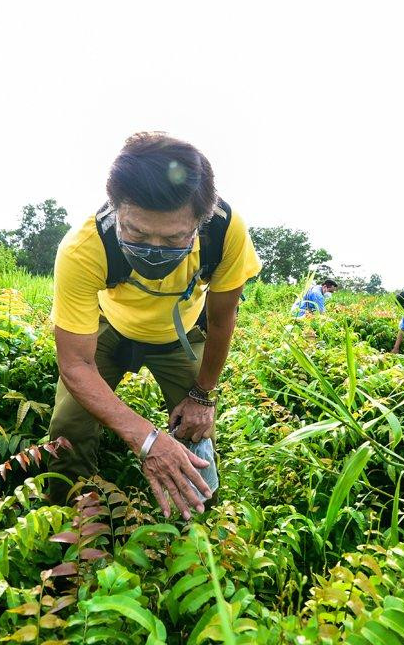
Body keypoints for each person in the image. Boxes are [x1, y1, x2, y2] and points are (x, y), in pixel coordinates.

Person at [47, 132, 261, 519]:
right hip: (110, 328)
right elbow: (76, 364)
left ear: (201, 220)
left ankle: (199, 526)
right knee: (68, 426)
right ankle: (73, 520)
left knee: (197, 432)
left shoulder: (225, 232)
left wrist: (203, 396)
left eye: (175, 237)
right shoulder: (83, 248)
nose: (155, 249)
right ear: (116, 210)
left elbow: (220, 319)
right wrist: (147, 441)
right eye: (137, 233)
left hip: (181, 336)